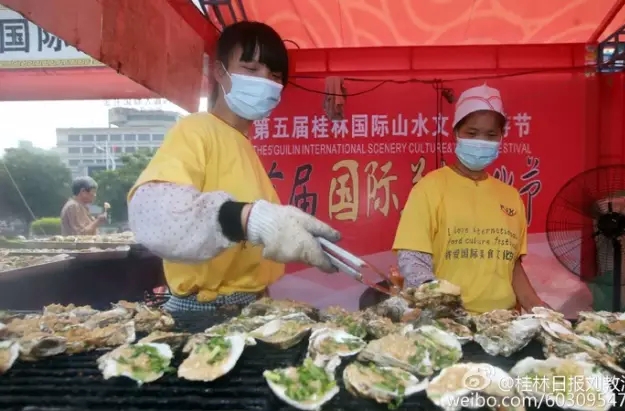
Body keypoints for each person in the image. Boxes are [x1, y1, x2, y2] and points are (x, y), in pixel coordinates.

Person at [127, 21, 340, 312]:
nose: (266, 81)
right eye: (251, 70)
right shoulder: (197, 129)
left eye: (275, 75)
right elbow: (153, 214)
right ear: (219, 71)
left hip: (251, 306)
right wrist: (247, 219)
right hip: (204, 313)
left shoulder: (243, 143)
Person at [392, 84, 547, 314]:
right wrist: (439, 304)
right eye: (472, 133)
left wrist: (540, 309)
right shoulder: (429, 188)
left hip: (503, 323)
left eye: (491, 135)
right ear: (456, 133)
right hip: (448, 321)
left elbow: (511, 266)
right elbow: (413, 261)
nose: (481, 141)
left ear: (501, 137)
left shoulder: (511, 196)